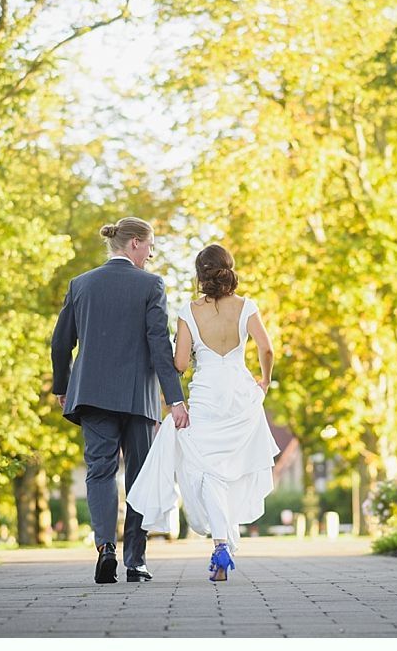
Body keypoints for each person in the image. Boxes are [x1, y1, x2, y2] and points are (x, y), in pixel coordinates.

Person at [127, 243, 280, 583]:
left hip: (207, 398)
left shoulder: (187, 312)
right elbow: (266, 348)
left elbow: (180, 364)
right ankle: (224, 545)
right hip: (241, 397)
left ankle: (221, 544)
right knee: (229, 473)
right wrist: (265, 380)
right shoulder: (246, 306)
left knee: (209, 472)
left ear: (199, 275)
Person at [51, 217, 189, 584]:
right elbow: (160, 345)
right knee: (140, 478)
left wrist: (63, 385)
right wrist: (175, 399)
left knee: (99, 472)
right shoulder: (151, 285)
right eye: (151, 245)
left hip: (92, 395)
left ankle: (104, 548)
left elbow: (62, 341)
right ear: (134, 244)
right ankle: (136, 561)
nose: (153, 252)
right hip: (137, 398)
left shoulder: (81, 285)